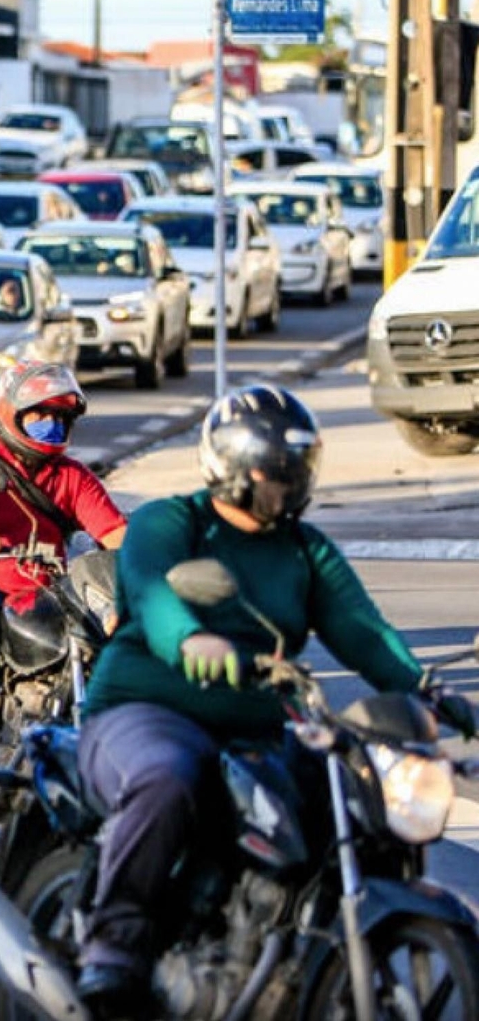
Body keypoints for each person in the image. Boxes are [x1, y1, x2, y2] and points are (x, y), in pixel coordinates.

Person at [72, 386, 463, 1015]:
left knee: (353, 800)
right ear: (232, 465)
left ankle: (299, 940)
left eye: (299, 466)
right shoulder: (171, 522)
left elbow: (363, 631)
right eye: (278, 466)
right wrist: (192, 638)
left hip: (258, 725)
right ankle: (113, 945)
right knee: (169, 780)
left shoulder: (305, 549)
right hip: (145, 709)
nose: (290, 479)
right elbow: (152, 593)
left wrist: (425, 690)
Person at [0, 361, 127, 787]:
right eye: (39, 415)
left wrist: (156, 553)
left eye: (59, 416)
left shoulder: (72, 477)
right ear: (11, 413)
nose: (51, 424)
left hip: (39, 597)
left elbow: (115, 532)